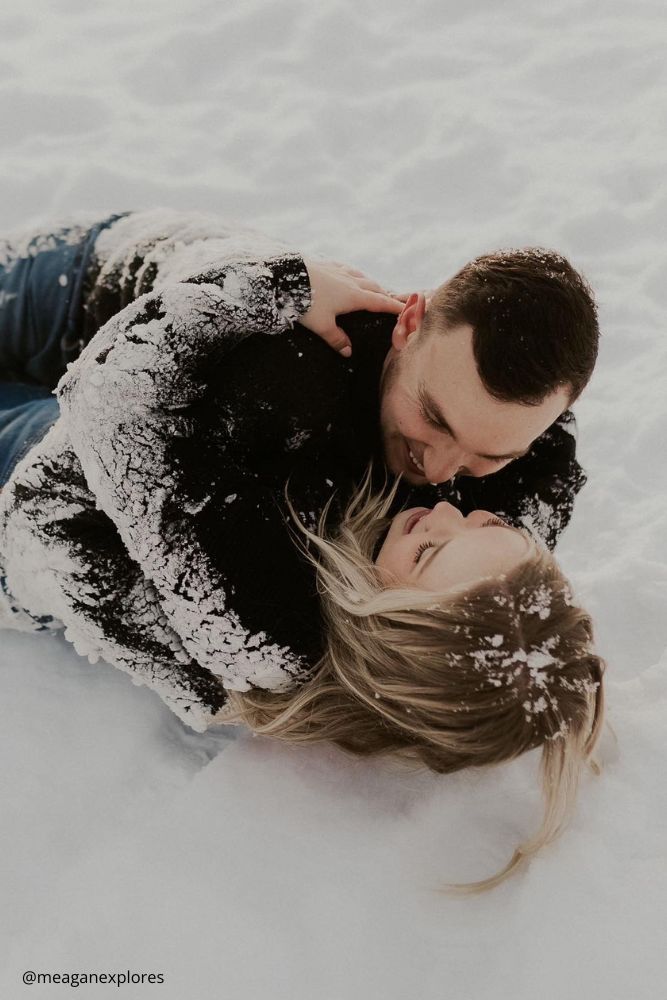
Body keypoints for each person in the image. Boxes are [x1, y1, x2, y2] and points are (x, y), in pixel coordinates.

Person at [0, 210, 604, 888]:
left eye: (488, 456)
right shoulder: (303, 381)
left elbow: (100, 428)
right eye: (433, 417)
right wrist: (274, 287)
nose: (441, 485)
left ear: (397, 623)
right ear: (409, 322)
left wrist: (274, 285)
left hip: (41, 490)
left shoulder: (267, 620)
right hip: (105, 282)